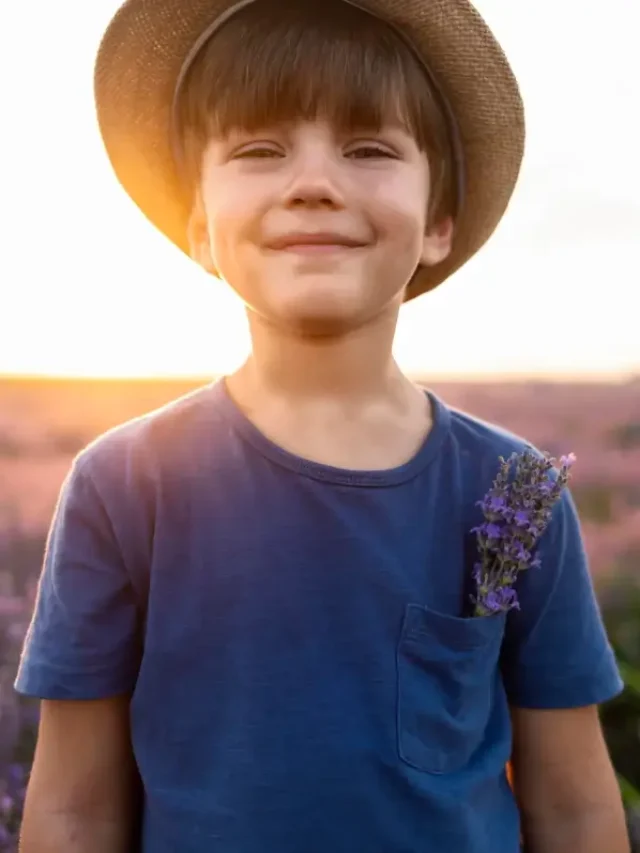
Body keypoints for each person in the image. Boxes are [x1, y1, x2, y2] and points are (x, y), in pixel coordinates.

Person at [14, 0, 629, 851]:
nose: (313, 183)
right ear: (198, 224)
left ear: (439, 224)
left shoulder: (515, 490)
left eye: (369, 149)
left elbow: (574, 805)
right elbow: (77, 808)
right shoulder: (125, 482)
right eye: (259, 151)